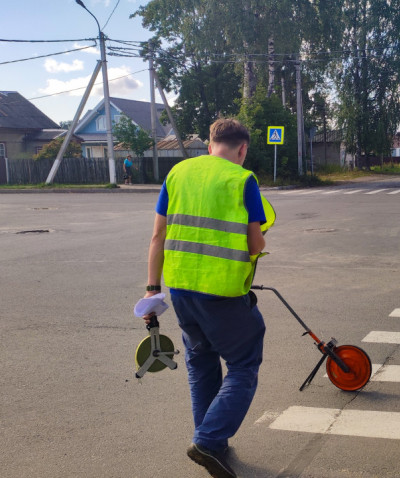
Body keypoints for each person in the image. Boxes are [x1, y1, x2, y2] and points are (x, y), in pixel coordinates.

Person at [141, 118, 268, 478]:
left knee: (201, 361)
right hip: (222, 292)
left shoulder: (177, 174)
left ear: (210, 144)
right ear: (242, 149)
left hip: (181, 288)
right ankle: (209, 441)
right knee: (244, 364)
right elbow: (256, 244)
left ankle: (211, 443)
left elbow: (157, 238)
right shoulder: (242, 180)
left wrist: (152, 290)